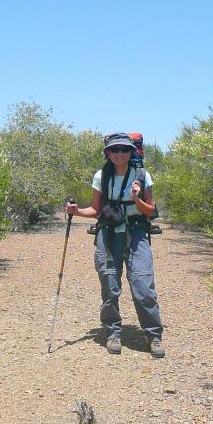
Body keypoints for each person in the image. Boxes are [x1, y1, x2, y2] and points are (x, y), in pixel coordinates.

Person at [65, 133, 165, 358]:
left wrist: (137, 198)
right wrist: (77, 211)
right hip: (109, 233)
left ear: (132, 152)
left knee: (143, 284)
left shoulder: (142, 175)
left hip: (136, 232)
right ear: (108, 153)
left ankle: (154, 335)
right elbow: (96, 210)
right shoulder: (102, 176)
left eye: (124, 150)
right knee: (110, 284)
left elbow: (151, 212)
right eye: (115, 150)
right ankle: (112, 332)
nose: (120, 154)